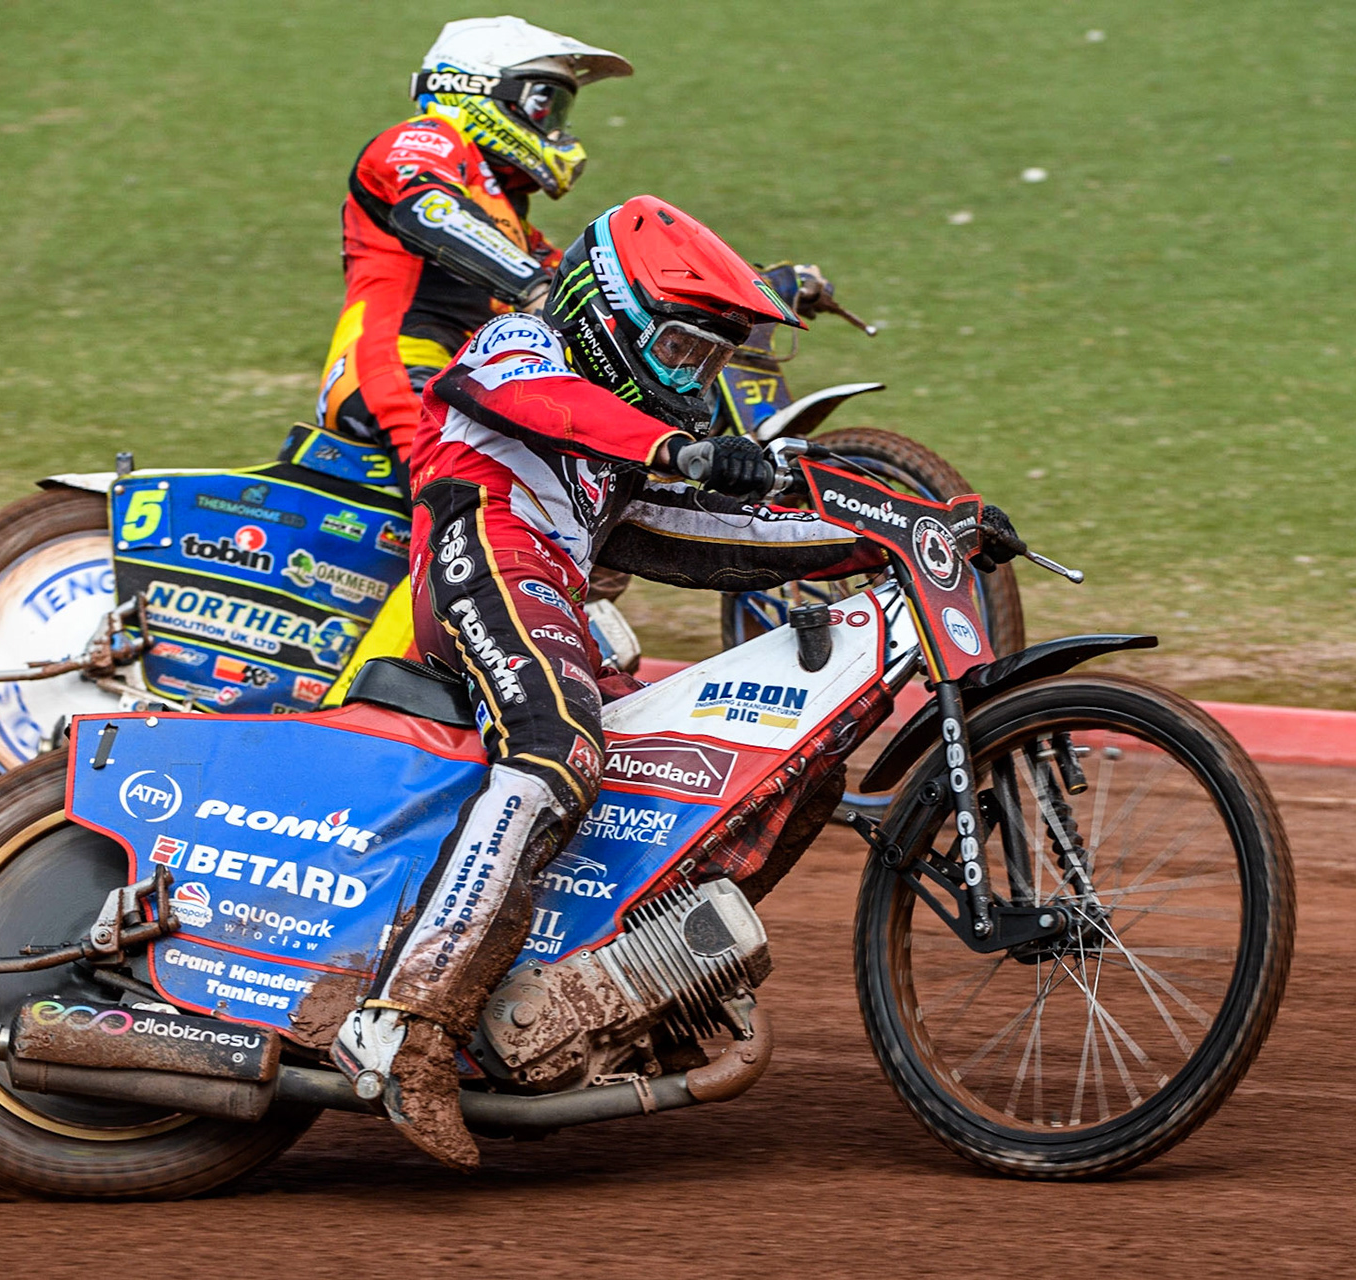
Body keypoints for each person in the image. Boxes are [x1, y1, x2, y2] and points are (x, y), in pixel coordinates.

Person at [333, 196, 1018, 1169]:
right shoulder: (518, 343)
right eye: (686, 352)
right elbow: (551, 407)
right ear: (614, 318)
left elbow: (707, 540)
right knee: (556, 743)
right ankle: (404, 1025)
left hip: (548, 579)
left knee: (741, 772)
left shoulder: (613, 455)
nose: (698, 382)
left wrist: (913, 530)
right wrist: (678, 447)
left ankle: (616, 985)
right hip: (481, 542)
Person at [314, 16, 633, 466]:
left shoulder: (504, 209)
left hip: (466, 381)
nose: (556, 127)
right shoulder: (424, 138)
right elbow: (431, 212)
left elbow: (579, 280)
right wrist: (536, 290)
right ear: (479, 88)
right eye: (546, 105)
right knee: (461, 512)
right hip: (399, 369)